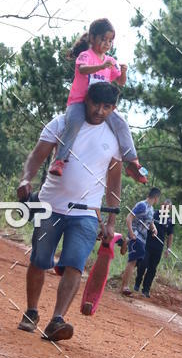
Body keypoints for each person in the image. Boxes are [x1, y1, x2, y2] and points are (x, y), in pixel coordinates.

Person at [16, 81, 123, 342]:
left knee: (75, 263)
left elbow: (114, 182)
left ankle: (57, 320)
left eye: (106, 107)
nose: (99, 110)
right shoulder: (63, 122)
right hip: (50, 206)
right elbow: (37, 155)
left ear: (113, 108)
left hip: (87, 213)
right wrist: (25, 178)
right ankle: (31, 311)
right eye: (95, 104)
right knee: (40, 260)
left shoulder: (114, 137)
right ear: (85, 100)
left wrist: (110, 220)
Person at [48, 18, 147, 184]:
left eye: (110, 40)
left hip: (101, 104)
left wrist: (123, 72)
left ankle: (132, 162)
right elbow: (82, 69)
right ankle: (60, 160)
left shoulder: (111, 60)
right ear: (92, 38)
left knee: (121, 124)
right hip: (80, 101)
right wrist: (102, 67)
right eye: (103, 39)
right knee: (74, 122)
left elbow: (120, 82)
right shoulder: (86, 56)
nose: (107, 43)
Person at [121, 187, 161, 295]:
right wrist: (131, 233)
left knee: (138, 260)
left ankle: (126, 242)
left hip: (143, 238)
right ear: (156, 198)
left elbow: (150, 221)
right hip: (136, 236)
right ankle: (124, 287)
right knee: (133, 260)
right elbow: (129, 217)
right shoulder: (142, 205)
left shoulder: (151, 209)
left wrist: (154, 228)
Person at [134, 198, 173, 297]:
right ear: (161, 206)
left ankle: (146, 289)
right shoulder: (154, 214)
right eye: (164, 206)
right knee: (143, 264)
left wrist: (168, 248)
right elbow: (145, 223)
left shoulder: (169, 220)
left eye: (167, 208)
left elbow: (170, 235)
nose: (165, 209)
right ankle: (137, 283)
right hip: (147, 243)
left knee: (152, 268)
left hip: (159, 247)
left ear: (170, 209)